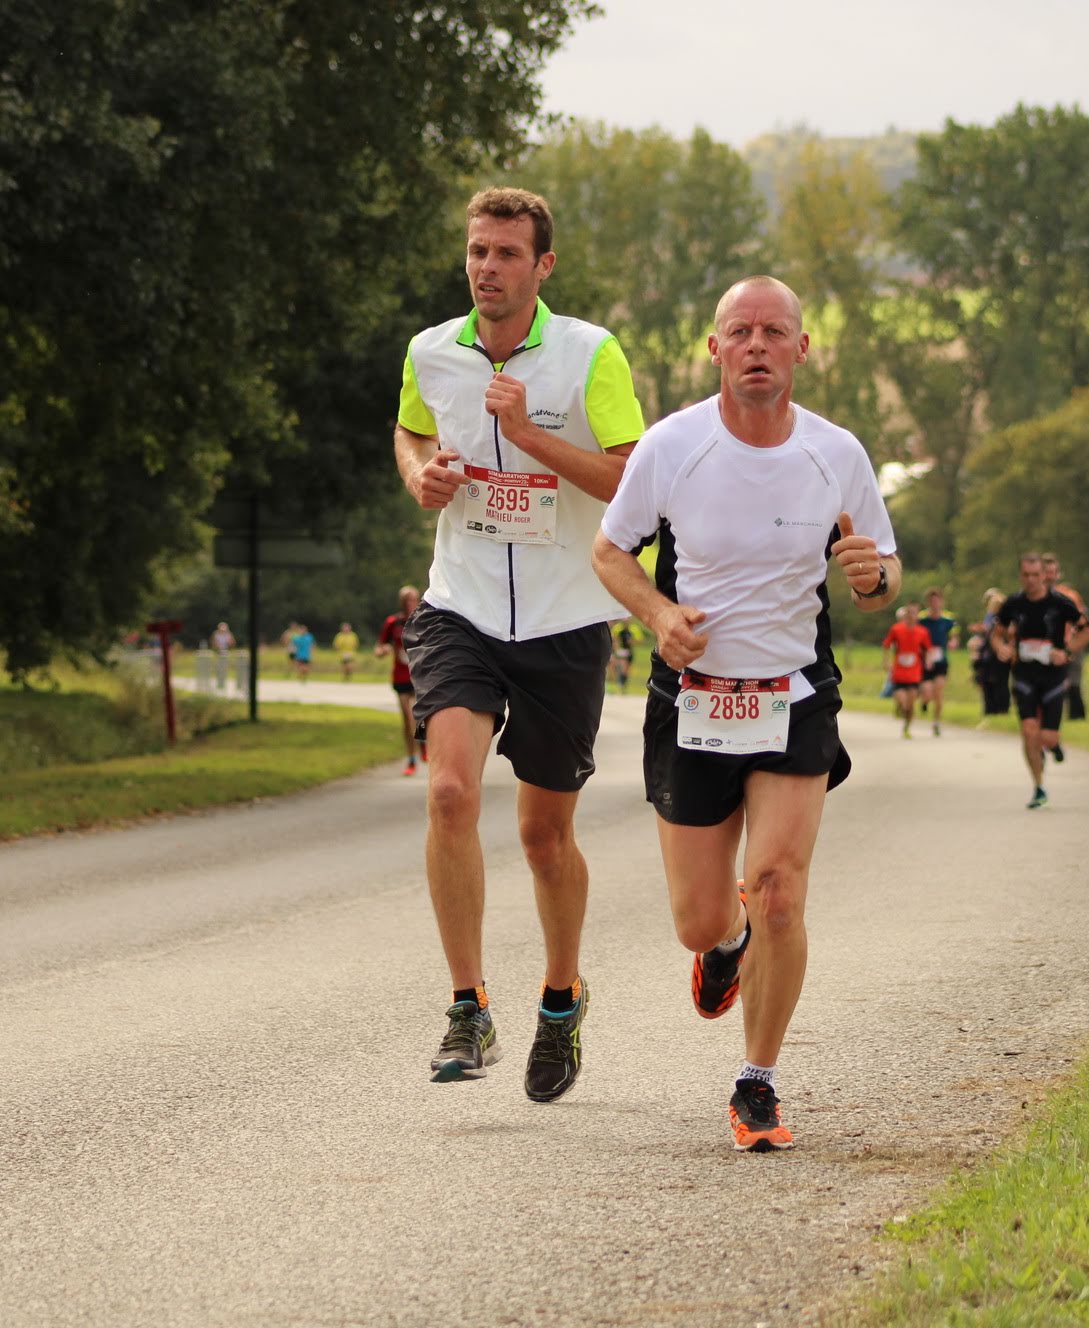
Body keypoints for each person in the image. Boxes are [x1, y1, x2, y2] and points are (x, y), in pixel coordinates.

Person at [591, 275, 899, 1153]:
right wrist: (659, 616)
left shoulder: (836, 452)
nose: (756, 345)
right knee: (699, 918)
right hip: (693, 700)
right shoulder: (673, 445)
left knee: (779, 892)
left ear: (802, 348)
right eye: (740, 331)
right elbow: (609, 552)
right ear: (715, 348)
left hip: (794, 695)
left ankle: (756, 1082)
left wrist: (874, 579)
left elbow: (882, 573)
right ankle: (724, 944)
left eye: (773, 331)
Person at [393, 186, 646, 1099]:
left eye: (506, 253)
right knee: (449, 792)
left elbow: (629, 477)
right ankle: (468, 1006)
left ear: (543, 266)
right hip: (460, 605)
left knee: (544, 837)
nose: (487, 267)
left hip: (564, 617)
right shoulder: (431, 350)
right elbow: (411, 430)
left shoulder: (590, 353)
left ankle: (561, 999)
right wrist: (422, 475)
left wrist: (527, 434)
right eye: (477, 251)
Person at [990, 552, 1082, 809]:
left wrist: (1067, 652)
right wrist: (1000, 647)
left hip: (1053, 677)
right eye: (1026, 575)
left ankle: (1053, 743)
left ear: (1045, 576)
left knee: (1047, 737)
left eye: (1035, 575)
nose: (1031, 580)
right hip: (1024, 675)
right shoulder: (1013, 604)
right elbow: (996, 634)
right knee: (1029, 731)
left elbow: (1087, 629)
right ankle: (1039, 787)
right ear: (1021, 576)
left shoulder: (1061, 603)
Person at [375, 587, 425, 775]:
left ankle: (423, 745)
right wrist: (382, 651)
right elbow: (380, 646)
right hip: (401, 676)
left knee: (420, 715)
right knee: (407, 718)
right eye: (407, 600)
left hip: (420, 675)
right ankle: (411, 759)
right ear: (402, 602)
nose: (410, 603)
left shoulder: (423, 619)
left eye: (413, 599)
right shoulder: (393, 622)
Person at [1042, 554, 1089, 721]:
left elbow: (1083, 623)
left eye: (1053, 572)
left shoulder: (1069, 596)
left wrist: (1072, 646)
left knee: (1072, 682)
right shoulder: (1032, 596)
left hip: (1069, 644)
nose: (1050, 576)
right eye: (1046, 572)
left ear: (1058, 574)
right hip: (1044, 647)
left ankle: (1076, 717)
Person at [881, 603, 929, 738]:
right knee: (903, 700)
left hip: (914, 671)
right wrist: (886, 662)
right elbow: (886, 645)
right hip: (899, 671)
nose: (912, 616)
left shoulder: (922, 631)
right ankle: (899, 706)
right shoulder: (896, 629)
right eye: (910, 613)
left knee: (911, 703)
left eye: (914, 613)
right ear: (906, 615)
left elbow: (927, 648)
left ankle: (907, 727)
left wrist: (928, 661)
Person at [916, 588, 957, 736]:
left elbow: (954, 636)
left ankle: (936, 723)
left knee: (939, 691)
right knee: (928, 693)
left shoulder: (949, 619)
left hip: (941, 660)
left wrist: (953, 642)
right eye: (932, 600)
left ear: (941, 601)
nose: (935, 603)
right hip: (925, 660)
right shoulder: (921, 618)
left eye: (937, 600)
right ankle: (925, 701)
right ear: (928, 602)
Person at [970, 588, 1012, 716]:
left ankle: (999, 710)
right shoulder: (991, 618)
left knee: (999, 683)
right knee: (991, 683)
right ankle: (992, 710)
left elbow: (996, 635)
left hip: (997, 655)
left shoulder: (1003, 620)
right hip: (990, 655)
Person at [609, 619, 635, 693]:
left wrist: (632, 642)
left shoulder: (632, 630)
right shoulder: (618, 630)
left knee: (626, 669)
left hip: (628, 652)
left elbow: (638, 641)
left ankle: (622, 683)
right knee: (619, 667)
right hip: (621, 652)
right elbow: (616, 641)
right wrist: (617, 649)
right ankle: (619, 683)